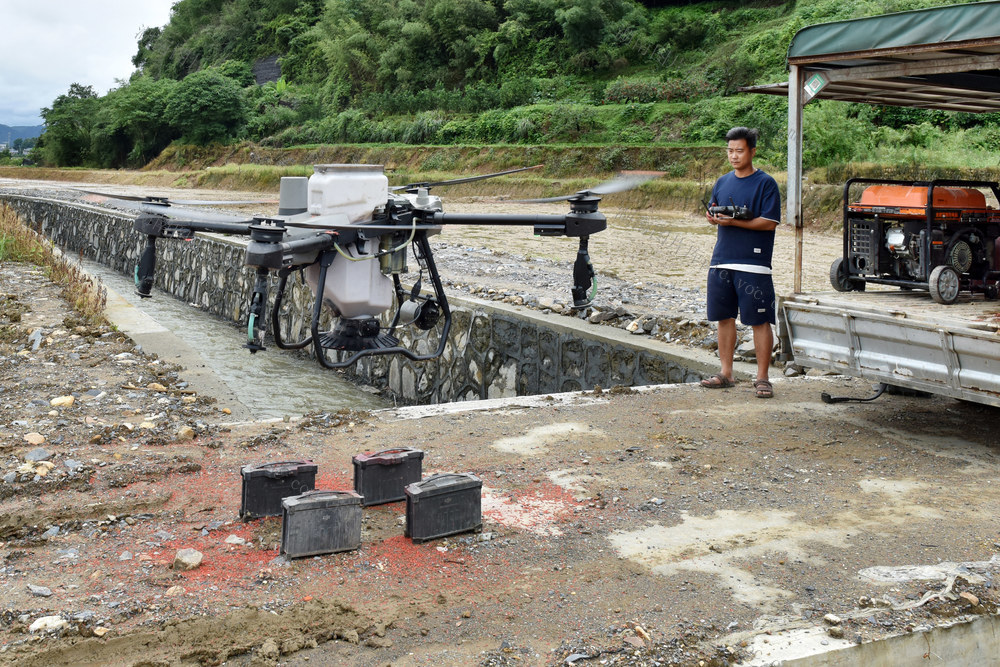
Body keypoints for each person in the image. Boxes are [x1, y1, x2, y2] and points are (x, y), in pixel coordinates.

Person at [700, 126, 781, 398]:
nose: (733, 156)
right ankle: (726, 373)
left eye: (739, 151)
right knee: (723, 318)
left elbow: (769, 223)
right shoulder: (722, 182)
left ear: (752, 151)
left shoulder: (766, 183)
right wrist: (714, 218)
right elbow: (714, 210)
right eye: (730, 151)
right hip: (721, 260)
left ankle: (762, 378)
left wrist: (734, 221)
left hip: (754, 263)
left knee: (760, 320)